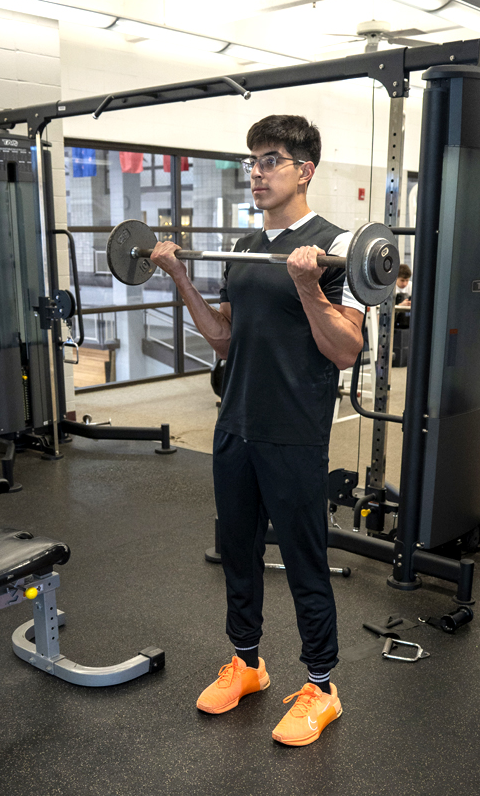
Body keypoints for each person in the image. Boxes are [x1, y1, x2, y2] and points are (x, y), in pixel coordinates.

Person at [149, 115, 364, 746]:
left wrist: (307, 287)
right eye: (252, 162)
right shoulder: (243, 249)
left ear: (305, 170)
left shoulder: (337, 243)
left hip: (294, 432)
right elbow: (223, 339)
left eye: (270, 160)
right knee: (236, 552)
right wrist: (181, 278)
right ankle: (248, 663)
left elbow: (346, 349)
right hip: (235, 425)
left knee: (303, 560)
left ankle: (321, 686)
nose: (257, 173)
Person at [395, 263, 412, 329]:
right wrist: (400, 306)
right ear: (396, 278)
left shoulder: (411, 287)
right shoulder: (390, 289)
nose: (405, 283)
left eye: (407, 280)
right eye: (402, 280)